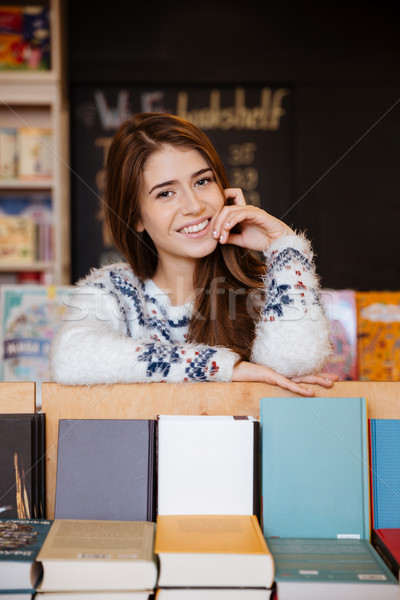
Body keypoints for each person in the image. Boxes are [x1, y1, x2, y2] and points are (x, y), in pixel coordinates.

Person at [50, 112, 337, 396]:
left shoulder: (263, 288)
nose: (194, 206)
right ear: (136, 217)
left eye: (202, 182)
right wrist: (220, 368)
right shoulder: (116, 290)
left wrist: (285, 245)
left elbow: (296, 366)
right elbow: (70, 356)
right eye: (165, 193)